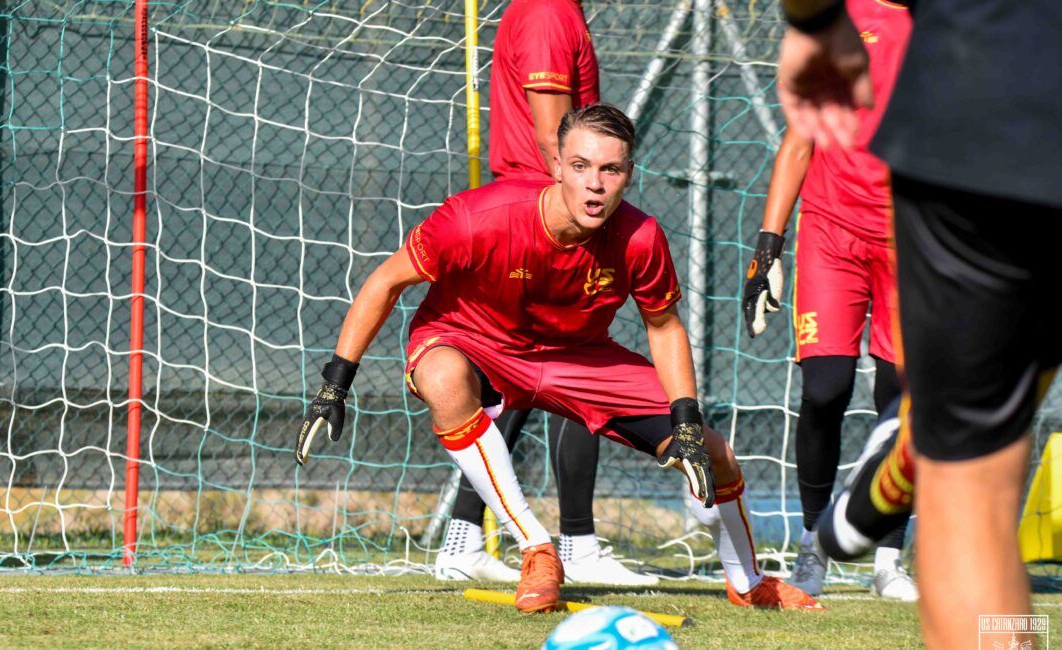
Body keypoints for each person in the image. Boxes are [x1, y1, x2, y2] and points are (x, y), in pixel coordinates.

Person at [296, 104, 822, 612]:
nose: (595, 183)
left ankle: (749, 582)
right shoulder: (477, 218)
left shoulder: (641, 238)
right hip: (476, 339)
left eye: (610, 169)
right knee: (443, 378)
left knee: (715, 453)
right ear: (555, 166)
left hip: (579, 358)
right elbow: (385, 282)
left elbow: (663, 326)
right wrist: (334, 384)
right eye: (580, 166)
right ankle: (536, 549)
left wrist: (685, 419)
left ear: (629, 173)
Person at [777, 0, 1062, 646]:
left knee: (978, 483)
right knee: (978, 444)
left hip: (988, 105)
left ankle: (920, 433)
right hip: (987, 119)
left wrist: (813, 22)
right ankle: (916, 431)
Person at [435, 0, 656, 587]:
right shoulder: (550, 13)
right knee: (578, 363)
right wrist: (583, 217)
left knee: (528, 377)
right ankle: (576, 544)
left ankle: (462, 542)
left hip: (538, 215)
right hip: (540, 222)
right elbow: (554, 138)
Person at [741, 0, 914, 601]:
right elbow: (799, 140)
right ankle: (812, 548)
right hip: (830, 235)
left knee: (898, 401)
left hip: (910, 243)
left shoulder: (950, 33)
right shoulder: (837, 19)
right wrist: (767, 247)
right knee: (824, 390)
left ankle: (888, 559)